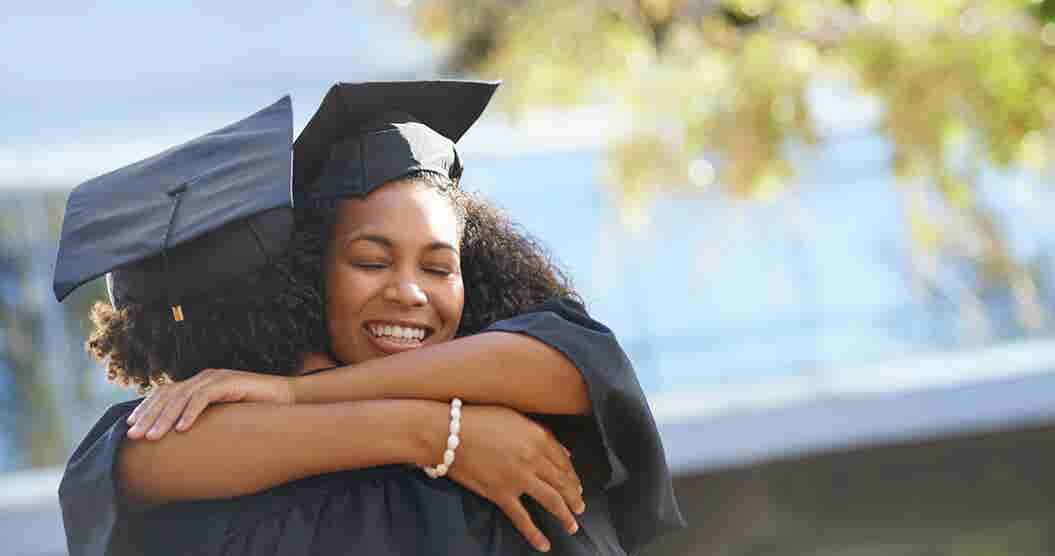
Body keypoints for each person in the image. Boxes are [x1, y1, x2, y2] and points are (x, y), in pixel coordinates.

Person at [56, 82, 684, 556]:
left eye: (441, 268)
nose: (409, 292)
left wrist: (299, 393)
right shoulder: (209, 449)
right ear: (307, 276)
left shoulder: (525, 406)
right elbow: (137, 461)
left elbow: (571, 365)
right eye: (369, 261)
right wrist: (438, 434)